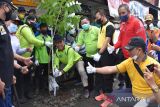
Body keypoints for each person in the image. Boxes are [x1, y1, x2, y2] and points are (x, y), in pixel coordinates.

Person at [87, 37, 160, 106]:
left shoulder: (154, 66)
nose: (127, 51)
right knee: (114, 96)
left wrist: (145, 102)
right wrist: (94, 69)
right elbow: (112, 69)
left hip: (150, 100)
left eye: (130, 49)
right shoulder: (129, 61)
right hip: (135, 95)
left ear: (139, 50)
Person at [108, 4, 147, 89]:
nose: (121, 15)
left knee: (136, 79)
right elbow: (120, 40)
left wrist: (138, 55)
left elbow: (142, 41)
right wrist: (114, 47)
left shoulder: (136, 22)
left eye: (123, 13)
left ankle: (136, 95)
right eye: (120, 13)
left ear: (129, 12)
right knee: (127, 77)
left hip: (135, 57)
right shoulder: (122, 24)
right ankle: (129, 94)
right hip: (126, 56)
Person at [91, 9, 116, 100]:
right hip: (101, 52)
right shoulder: (102, 25)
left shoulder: (110, 26)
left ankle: (109, 96)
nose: (96, 20)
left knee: (107, 74)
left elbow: (107, 41)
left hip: (106, 53)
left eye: (97, 18)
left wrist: (99, 53)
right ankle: (102, 94)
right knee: (100, 73)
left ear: (103, 15)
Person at [75, 17, 99, 92]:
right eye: (82, 23)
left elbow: (102, 40)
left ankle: (99, 88)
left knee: (98, 71)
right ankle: (91, 88)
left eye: (86, 23)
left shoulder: (96, 29)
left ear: (89, 22)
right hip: (88, 55)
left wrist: (99, 53)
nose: (84, 24)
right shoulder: (82, 33)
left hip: (98, 55)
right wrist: (76, 48)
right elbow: (79, 43)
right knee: (89, 72)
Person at [34, 23, 52, 94]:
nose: (44, 29)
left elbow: (51, 50)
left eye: (45, 27)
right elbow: (36, 49)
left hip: (48, 59)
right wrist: (36, 59)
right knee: (37, 75)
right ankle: (37, 88)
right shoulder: (37, 38)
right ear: (40, 29)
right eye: (43, 28)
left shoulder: (49, 38)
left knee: (46, 74)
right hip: (40, 60)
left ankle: (45, 87)